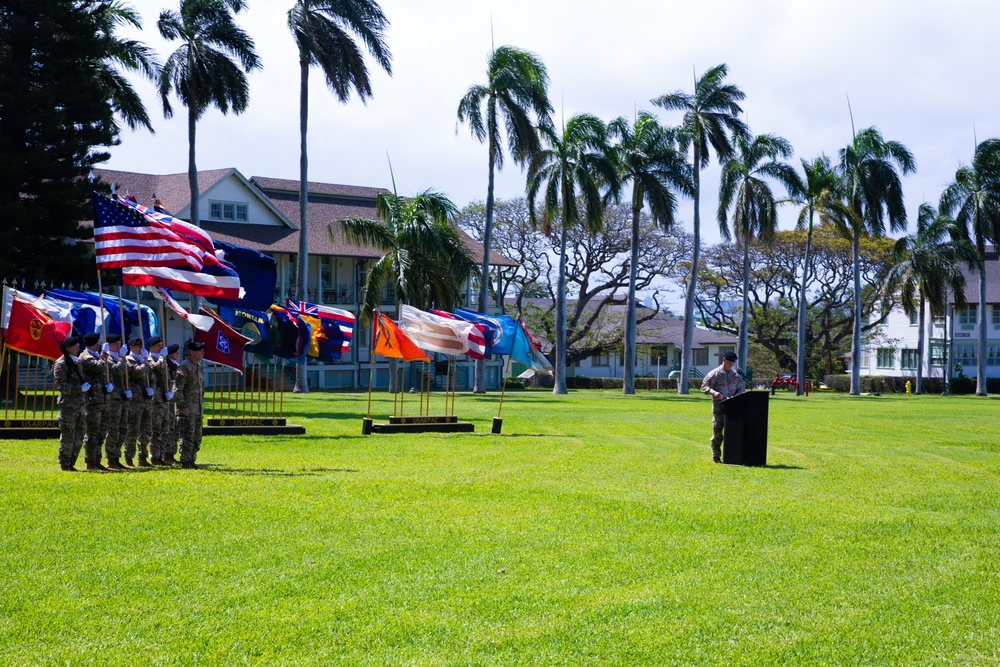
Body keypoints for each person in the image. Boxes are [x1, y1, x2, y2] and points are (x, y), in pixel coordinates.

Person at [701, 351, 745, 464]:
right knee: (718, 433)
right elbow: (704, 386)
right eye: (729, 362)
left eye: (732, 363)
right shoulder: (715, 373)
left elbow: (740, 388)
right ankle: (716, 456)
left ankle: (733, 456)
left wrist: (737, 395)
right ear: (724, 360)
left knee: (734, 433)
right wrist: (714, 393)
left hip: (733, 407)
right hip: (719, 407)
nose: (731, 365)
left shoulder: (735, 375)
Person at [54, 335, 88, 471]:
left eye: (78, 345)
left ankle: (71, 462)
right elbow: (61, 386)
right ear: (67, 348)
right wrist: (79, 389)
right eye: (75, 345)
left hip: (80, 404)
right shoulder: (61, 363)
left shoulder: (77, 362)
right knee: (68, 436)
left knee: (79, 435)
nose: (78, 347)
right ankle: (65, 463)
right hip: (68, 405)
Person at [78, 332, 111, 471]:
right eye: (97, 342)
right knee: (92, 433)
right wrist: (104, 354)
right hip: (92, 400)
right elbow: (99, 367)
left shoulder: (96, 356)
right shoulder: (85, 356)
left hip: (102, 399)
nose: (99, 344)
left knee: (101, 432)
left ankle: (97, 460)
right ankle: (90, 461)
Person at [173, 340, 205, 469]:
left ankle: (192, 458)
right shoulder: (184, 367)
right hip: (187, 410)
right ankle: (185, 460)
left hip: (197, 409)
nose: (203, 352)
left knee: (197, 437)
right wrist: (182, 407)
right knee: (188, 436)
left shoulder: (199, 367)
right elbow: (177, 390)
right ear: (191, 352)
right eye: (200, 350)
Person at [123, 336, 154, 467]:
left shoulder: (143, 360)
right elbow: (138, 373)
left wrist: (151, 387)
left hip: (146, 399)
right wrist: (145, 361)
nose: (141, 349)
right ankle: (129, 457)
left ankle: (143, 456)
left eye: (142, 346)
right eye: (138, 346)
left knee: (146, 431)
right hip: (135, 401)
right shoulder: (128, 360)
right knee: (133, 431)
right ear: (131, 347)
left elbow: (152, 374)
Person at [101, 333, 130, 470]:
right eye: (116, 343)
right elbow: (118, 371)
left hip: (123, 397)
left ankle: (117, 457)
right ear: (110, 345)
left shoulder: (120, 358)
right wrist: (123, 357)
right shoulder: (107, 359)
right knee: (113, 429)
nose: (119, 345)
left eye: (119, 343)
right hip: (113, 399)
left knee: (122, 429)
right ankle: (111, 458)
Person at [163, 343, 181, 465]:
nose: (178, 354)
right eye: (175, 352)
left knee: (175, 428)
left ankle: (171, 454)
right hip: (168, 401)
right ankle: (166, 454)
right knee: (168, 427)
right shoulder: (166, 365)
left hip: (175, 401)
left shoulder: (177, 365)